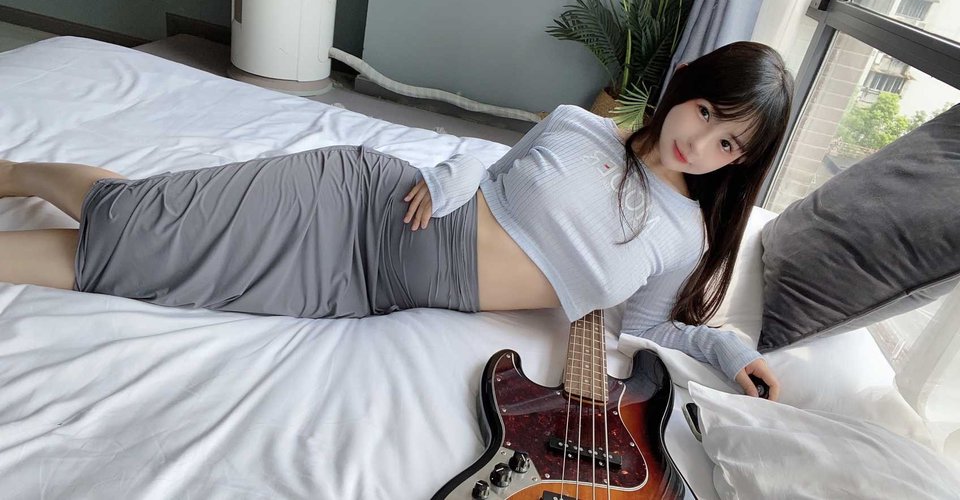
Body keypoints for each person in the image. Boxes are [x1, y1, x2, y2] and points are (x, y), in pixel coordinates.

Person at [0, 41, 791, 400]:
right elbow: (489, 172)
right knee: (143, 221)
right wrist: (454, 174)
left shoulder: (683, 235)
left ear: (740, 162)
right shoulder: (578, 128)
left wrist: (726, 349)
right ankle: (18, 173)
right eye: (704, 112)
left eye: (728, 143)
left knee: (143, 267)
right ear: (685, 84)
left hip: (361, 288)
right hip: (357, 201)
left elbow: (647, 328)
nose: (700, 145)